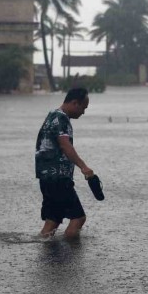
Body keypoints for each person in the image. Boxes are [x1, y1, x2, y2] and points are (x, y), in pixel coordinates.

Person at [35, 88, 94, 239]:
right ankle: (71, 258)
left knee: (53, 220)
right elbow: (65, 145)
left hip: (46, 178)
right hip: (59, 178)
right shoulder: (62, 119)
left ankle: (48, 255)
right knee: (78, 218)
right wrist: (84, 167)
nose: (83, 112)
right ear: (75, 103)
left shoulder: (52, 116)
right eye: (83, 108)